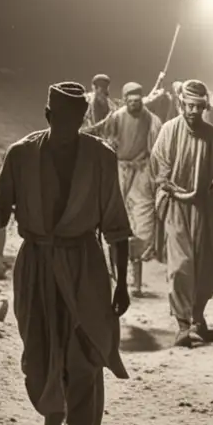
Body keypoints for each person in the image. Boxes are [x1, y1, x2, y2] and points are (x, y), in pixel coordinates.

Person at [0, 81, 133, 425]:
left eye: (77, 120)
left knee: (85, 353)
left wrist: (123, 281)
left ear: (84, 119)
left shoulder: (101, 158)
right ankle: (52, 421)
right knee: (42, 349)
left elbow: (116, 224)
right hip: (37, 266)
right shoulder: (21, 154)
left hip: (85, 265)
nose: (70, 127)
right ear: (48, 116)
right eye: (62, 119)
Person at [149, 78, 213, 347]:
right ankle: (183, 324)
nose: (194, 112)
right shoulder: (168, 131)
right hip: (177, 205)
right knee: (182, 265)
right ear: (180, 104)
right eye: (189, 106)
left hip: (205, 207)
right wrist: (170, 188)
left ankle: (198, 314)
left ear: (205, 106)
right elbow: (159, 168)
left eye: (199, 107)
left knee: (208, 265)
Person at [85, 81, 163, 295]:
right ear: (126, 100)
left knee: (143, 224)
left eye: (138, 101)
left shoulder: (152, 120)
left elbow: (158, 147)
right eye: (131, 101)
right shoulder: (117, 116)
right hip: (119, 169)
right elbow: (103, 136)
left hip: (142, 170)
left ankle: (136, 276)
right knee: (113, 217)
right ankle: (114, 276)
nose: (134, 104)